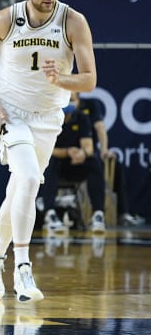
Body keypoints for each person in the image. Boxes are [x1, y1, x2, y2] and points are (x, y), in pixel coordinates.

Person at [0, 0, 97, 302]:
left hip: (48, 117)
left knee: (20, 187)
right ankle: (22, 268)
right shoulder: (6, 19)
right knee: (30, 179)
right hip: (10, 114)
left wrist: (60, 78)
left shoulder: (73, 21)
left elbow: (90, 80)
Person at [39, 94, 105, 232]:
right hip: (57, 166)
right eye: (65, 99)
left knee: (94, 161)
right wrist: (67, 152)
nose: (68, 104)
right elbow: (45, 150)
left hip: (75, 165)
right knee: (50, 161)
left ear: (78, 102)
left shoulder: (81, 117)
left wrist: (83, 153)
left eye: (71, 100)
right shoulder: (48, 117)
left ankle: (98, 214)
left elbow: (89, 147)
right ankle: (50, 213)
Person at [77, 94, 145, 226]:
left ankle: (120, 213)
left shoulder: (90, 105)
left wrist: (104, 151)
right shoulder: (57, 104)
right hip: (64, 152)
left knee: (111, 165)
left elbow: (100, 128)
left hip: (88, 152)